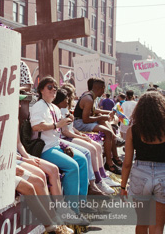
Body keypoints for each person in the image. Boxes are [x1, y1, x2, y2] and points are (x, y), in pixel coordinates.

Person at [30, 76, 89, 219]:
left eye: (55, 87)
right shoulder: (39, 106)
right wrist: (57, 125)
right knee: (72, 166)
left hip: (56, 145)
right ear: (41, 90)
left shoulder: (54, 107)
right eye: (49, 87)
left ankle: (81, 203)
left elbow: (60, 130)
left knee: (82, 159)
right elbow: (36, 126)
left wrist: (67, 121)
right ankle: (71, 211)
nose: (53, 90)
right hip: (45, 149)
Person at [53, 88, 115, 195]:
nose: (68, 100)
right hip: (66, 138)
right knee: (90, 150)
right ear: (60, 100)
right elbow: (65, 132)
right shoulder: (58, 111)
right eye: (66, 98)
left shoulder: (64, 110)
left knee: (97, 147)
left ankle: (101, 176)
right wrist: (80, 137)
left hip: (71, 136)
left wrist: (80, 134)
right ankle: (94, 182)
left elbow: (70, 128)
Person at [120, 92, 165, 234]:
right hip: (163, 174)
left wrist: (123, 186)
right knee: (157, 225)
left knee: (142, 223)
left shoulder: (133, 130)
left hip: (140, 174)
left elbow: (127, 162)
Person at [73, 78, 123, 175]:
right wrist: (102, 117)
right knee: (108, 132)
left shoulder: (91, 97)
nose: (104, 92)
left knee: (109, 128)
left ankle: (114, 156)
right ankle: (109, 163)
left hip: (82, 121)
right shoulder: (89, 99)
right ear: (102, 88)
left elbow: (94, 111)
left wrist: (107, 113)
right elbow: (85, 119)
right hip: (80, 123)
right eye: (104, 89)